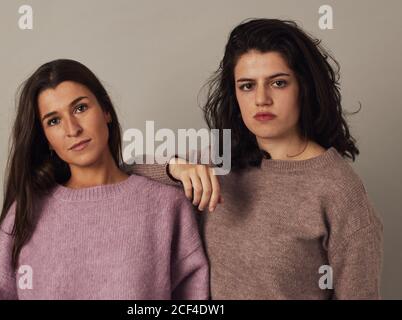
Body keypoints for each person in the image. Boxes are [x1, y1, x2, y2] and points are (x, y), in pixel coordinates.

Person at [128, 18, 383, 299]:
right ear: (234, 94)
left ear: (304, 87)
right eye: (247, 86)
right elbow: (120, 170)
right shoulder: (219, 160)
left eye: (278, 83)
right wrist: (174, 168)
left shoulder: (340, 190)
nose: (262, 99)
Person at [0, 59, 209, 300]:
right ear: (46, 138)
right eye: (54, 121)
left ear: (106, 111)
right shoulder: (25, 214)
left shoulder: (167, 207)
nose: (72, 128)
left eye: (80, 108)